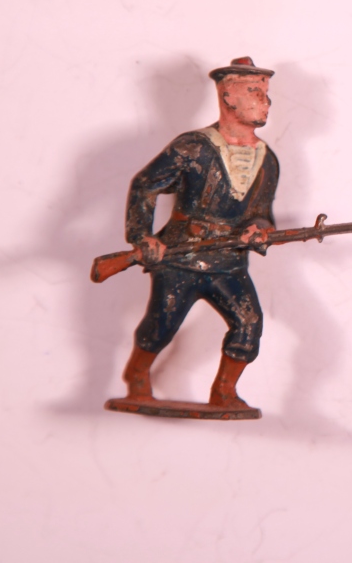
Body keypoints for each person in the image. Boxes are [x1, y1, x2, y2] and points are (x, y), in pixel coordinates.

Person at [111, 57, 278, 416]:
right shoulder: (192, 146)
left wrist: (260, 229)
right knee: (162, 324)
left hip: (230, 262)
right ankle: (137, 373)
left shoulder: (267, 159)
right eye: (254, 91)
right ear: (228, 96)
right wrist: (142, 237)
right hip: (179, 258)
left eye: (265, 93)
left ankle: (224, 390)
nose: (265, 101)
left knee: (249, 323)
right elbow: (145, 185)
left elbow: (262, 211)